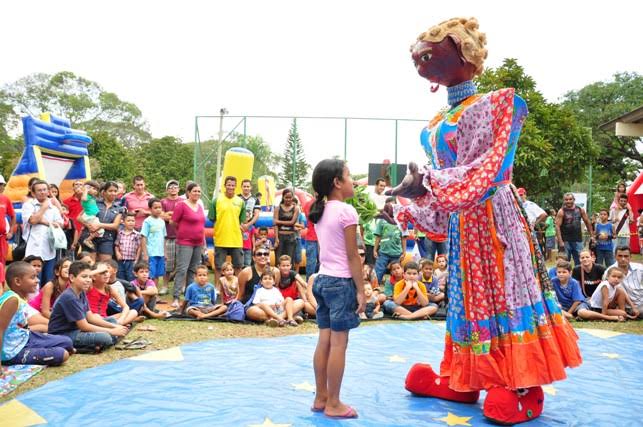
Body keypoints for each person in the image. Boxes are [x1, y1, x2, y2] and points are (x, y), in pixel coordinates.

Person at [387, 17, 581, 424]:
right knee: (467, 297)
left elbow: (488, 170)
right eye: (420, 56)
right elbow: (446, 196)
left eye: (431, 53)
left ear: (466, 55)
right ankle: (466, 376)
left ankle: (521, 384)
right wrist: (415, 194)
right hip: (463, 225)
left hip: (496, 220)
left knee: (504, 290)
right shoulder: (436, 125)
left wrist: (429, 181)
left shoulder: (499, 104)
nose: (422, 61)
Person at [308, 159, 365, 419]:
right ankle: (334, 402)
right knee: (339, 345)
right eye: (349, 175)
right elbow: (353, 256)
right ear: (337, 183)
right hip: (341, 283)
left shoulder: (319, 210)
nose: (352, 180)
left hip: (322, 280)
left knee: (325, 341)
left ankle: (321, 397)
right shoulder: (346, 212)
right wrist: (361, 290)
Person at [1, 262, 73, 370]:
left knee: (67, 341)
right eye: (33, 277)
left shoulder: (21, 298)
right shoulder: (12, 300)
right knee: (63, 354)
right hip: (12, 351)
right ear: (17, 281)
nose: (37, 280)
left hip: (26, 338)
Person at [48, 261, 128, 352]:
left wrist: (114, 326)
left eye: (90, 277)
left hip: (77, 329)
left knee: (113, 321)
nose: (88, 280)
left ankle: (97, 344)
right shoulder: (69, 297)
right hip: (64, 334)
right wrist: (112, 331)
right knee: (106, 338)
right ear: (72, 278)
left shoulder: (81, 292)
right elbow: (84, 326)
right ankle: (83, 348)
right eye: (84, 277)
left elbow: (91, 318)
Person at [21, 180, 63, 285]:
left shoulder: (53, 209)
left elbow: (60, 224)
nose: (42, 192)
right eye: (39, 190)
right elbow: (33, 221)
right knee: (33, 282)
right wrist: (44, 207)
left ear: (48, 191)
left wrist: (41, 220)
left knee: (48, 282)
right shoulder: (28, 205)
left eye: (44, 190)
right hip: (33, 249)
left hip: (50, 250)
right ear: (33, 193)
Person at [171, 183, 206, 308]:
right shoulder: (181, 205)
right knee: (182, 269)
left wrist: (204, 243)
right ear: (188, 192)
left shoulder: (200, 206)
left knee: (193, 270)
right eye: (194, 191)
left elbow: (201, 225)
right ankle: (176, 296)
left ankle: (189, 296)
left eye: (198, 191)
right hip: (185, 242)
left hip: (198, 242)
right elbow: (173, 222)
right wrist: (181, 232)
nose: (197, 193)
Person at [208, 176, 245, 284]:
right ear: (225, 185)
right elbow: (212, 218)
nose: (230, 187)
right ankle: (217, 288)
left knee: (238, 266)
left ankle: (238, 288)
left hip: (236, 239)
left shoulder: (240, 201)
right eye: (228, 185)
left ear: (236, 186)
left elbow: (241, 221)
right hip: (221, 238)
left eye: (233, 185)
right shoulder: (216, 200)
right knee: (219, 266)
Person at [78, 181, 124, 262]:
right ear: (104, 192)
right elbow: (79, 217)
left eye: (115, 191)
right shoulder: (94, 202)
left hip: (107, 238)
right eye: (110, 191)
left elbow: (115, 225)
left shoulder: (118, 208)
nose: (113, 193)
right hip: (90, 235)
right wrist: (88, 225)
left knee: (105, 264)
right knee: (89, 263)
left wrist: (100, 225)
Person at [237, 247, 281, 322]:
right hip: (254, 306)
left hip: (273, 306)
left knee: (298, 302)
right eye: (259, 254)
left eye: (266, 254)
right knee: (252, 312)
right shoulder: (246, 272)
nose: (263, 256)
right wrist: (234, 305)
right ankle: (281, 318)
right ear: (254, 258)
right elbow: (241, 294)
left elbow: (276, 290)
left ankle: (273, 319)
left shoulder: (276, 271)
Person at [373, 198, 406, 284]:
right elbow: (378, 236)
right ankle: (375, 286)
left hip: (396, 253)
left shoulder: (400, 220)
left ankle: (396, 287)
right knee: (378, 271)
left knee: (397, 273)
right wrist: (375, 249)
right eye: (389, 205)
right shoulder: (382, 221)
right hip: (383, 252)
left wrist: (404, 252)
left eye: (393, 206)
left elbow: (403, 237)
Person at [555, 193, 593, 266]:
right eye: (566, 200)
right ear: (564, 201)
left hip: (578, 240)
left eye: (570, 199)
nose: (568, 201)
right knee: (564, 263)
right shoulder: (561, 211)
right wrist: (560, 242)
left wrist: (592, 235)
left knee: (580, 261)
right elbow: (557, 226)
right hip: (565, 240)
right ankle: (566, 277)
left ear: (574, 200)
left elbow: (587, 222)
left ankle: (579, 277)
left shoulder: (580, 209)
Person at [609, 246, 643, 318]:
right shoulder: (609, 272)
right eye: (620, 256)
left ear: (630, 257)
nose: (623, 259)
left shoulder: (639, 268)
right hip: (627, 306)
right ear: (615, 256)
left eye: (626, 256)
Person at [161, 180, 182, 295]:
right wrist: (171, 216)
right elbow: (161, 216)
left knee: (181, 263)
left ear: (179, 189)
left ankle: (180, 286)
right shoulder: (163, 202)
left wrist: (170, 215)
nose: (173, 189)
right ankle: (165, 285)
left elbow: (182, 216)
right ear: (167, 189)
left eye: (175, 187)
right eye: (170, 187)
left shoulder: (183, 201)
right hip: (167, 236)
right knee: (167, 263)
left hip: (181, 236)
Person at [140, 198, 166, 286]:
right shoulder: (147, 221)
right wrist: (145, 254)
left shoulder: (162, 222)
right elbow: (143, 237)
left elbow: (164, 238)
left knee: (157, 275)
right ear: (150, 209)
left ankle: (155, 293)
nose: (158, 209)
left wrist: (165, 253)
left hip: (160, 253)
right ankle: (148, 293)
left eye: (160, 207)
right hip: (151, 253)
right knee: (150, 274)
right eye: (156, 208)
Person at [276, 255, 307, 326]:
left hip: (292, 302)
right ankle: (290, 317)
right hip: (281, 303)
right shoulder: (277, 274)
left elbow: (303, 283)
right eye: (283, 266)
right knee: (296, 312)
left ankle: (283, 318)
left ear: (290, 266)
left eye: (287, 265)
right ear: (279, 266)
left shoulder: (292, 273)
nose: (285, 268)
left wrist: (310, 289)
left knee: (301, 302)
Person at [274, 188, 300, 266]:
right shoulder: (277, 208)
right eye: (286, 197)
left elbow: (292, 222)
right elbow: (275, 224)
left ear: (292, 198)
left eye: (290, 197)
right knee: (278, 260)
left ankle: (290, 278)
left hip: (291, 237)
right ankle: (278, 277)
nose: (288, 199)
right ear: (283, 197)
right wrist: (276, 238)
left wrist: (279, 221)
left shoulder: (296, 208)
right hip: (280, 236)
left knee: (290, 260)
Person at [239, 179, 261, 268]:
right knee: (238, 253)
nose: (246, 188)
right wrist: (239, 225)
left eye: (248, 186)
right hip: (238, 226)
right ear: (241, 187)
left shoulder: (255, 199)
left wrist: (248, 225)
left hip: (250, 226)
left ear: (251, 187)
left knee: (248, 252)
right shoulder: (237, 198)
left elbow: (256, 215)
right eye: (244, 186)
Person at [115, 212, 141, 282]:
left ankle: (131, 292)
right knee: (121, 277)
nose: (131, 223)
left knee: (131, 277)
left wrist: (136, 259)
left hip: (131, 261)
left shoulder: (137, 234)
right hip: (121, 260)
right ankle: (122, 292)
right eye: (128, 221)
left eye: (133, 221)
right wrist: (117, 253)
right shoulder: (120, 233)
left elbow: (139, 247)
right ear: (123, 222)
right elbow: (116, 245)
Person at [79, 180, 104, 250]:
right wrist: (86, 190)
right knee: (101, 230)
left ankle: (89, 238)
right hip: (89, 215)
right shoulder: (86, 196)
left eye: (97, 190)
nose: (95, 191)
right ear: (88, 188)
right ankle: (88, 239)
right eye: (94, 189)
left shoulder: (92, 197)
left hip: (92, 216)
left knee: (99, 230)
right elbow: (83, 199)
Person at [0, 174, 16, 284]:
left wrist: (11, 231)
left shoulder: (5, 199)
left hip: (2, 238)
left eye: (2, 185)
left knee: (2, 263)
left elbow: (13, 215)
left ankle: (1, 285)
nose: (1, 187)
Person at [302, 199, 320, 277]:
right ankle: (310, 283)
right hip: (314, 237)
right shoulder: (310, 203)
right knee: (312, 262)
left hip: (317, 237)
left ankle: (310, 282)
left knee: (313, 262)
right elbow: (312, 219)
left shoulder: (308, 203)